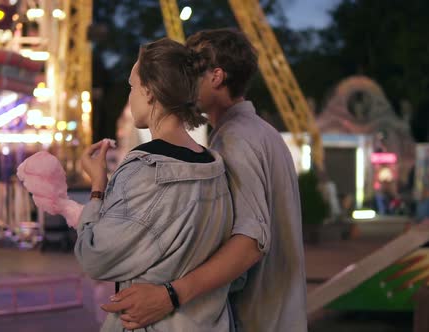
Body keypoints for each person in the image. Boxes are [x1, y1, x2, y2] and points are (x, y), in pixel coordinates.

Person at [101, 28, 308, 332]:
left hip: (256, 319)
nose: (181, 77)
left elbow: (250, 242)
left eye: (192, 69)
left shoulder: (236, 139)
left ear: (216, 77)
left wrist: (169, 296)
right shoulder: (261, 132)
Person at [75, 38, 235, 331]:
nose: (130, 96)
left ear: (149, 92)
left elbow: (94, 258)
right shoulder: (216, 168)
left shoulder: (145, 170)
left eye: (132, 86)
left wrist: (98, 186)